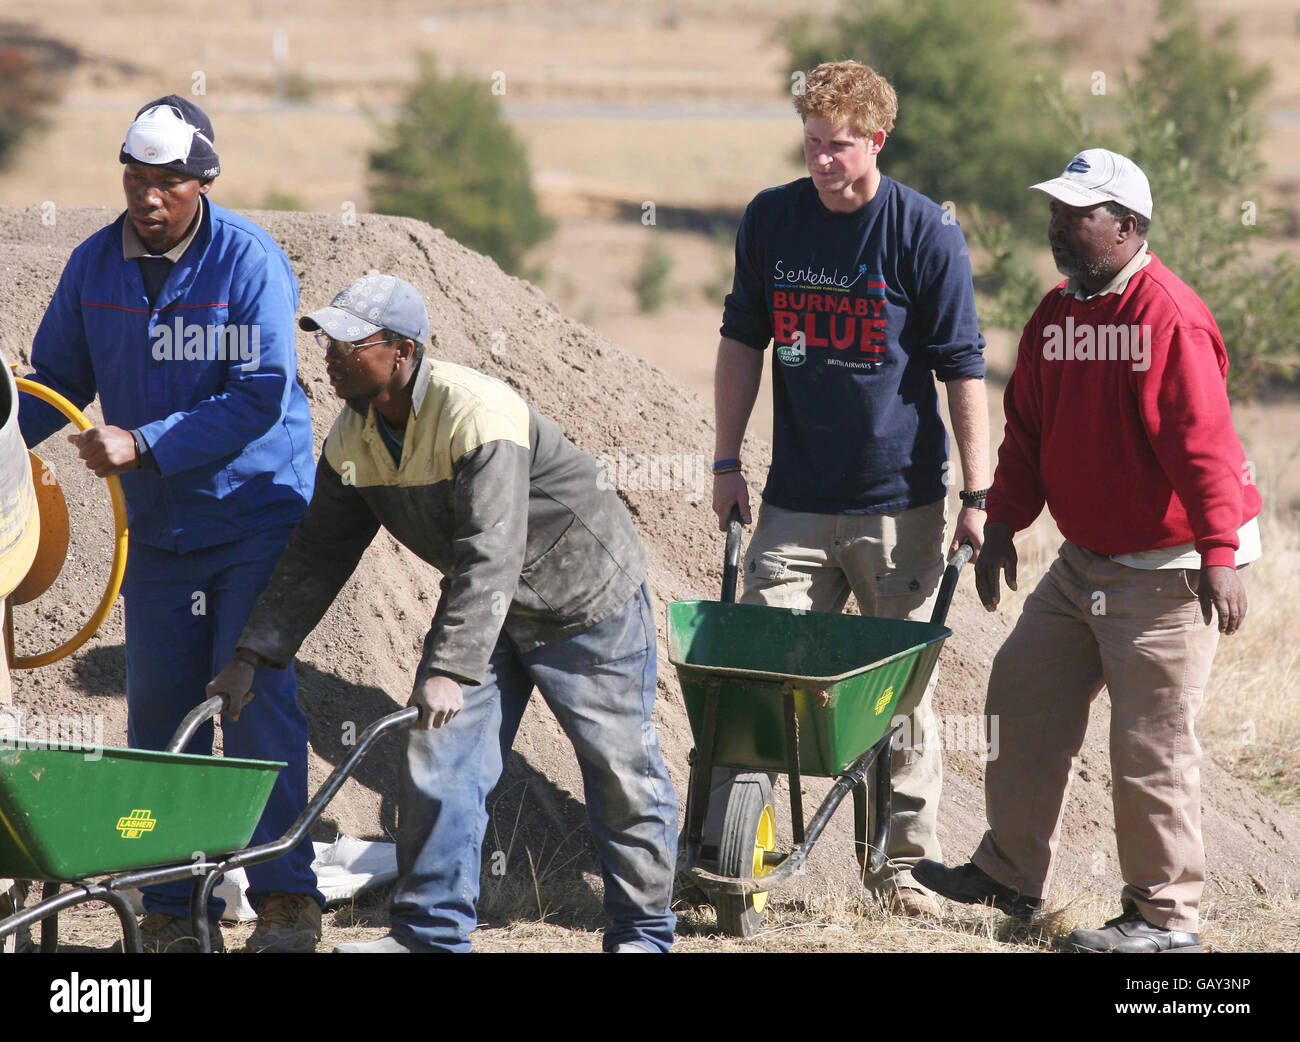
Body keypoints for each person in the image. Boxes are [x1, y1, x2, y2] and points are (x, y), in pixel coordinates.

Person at [210, 274, 679, 953]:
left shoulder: (476, 414)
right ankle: (430, 937)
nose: (331, 355)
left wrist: (450, 669)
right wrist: (252, 656)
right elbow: (317, 554)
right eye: (328, 342)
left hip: (583, 600)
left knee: (618, 768)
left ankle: (643, 935)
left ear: (402, 351)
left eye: (349, 342)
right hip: (484, 604)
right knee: (439, 758)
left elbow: (493, 551)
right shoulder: (355, 436)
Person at [914, 149, 1261, 953]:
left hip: (1172, 570)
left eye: (1078, 215)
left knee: (1151, 748)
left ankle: (1166, 922)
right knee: (1021, 694)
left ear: (1127, 227)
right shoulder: (1059, 313)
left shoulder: (1166, 315)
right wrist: (1002, 521)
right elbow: (1029, 429)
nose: (1059, 227)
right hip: (1086, 564)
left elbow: (1204, 445)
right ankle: (1010, 874)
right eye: (1057, 213)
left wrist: (1218, 550)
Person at [19, 96, 323, 953]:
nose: (148, 198)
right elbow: (55, 381)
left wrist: (143, 444)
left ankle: (286, 900)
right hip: (157, 533)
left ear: (204, 183)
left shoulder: (248, 262)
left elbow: (262, 393)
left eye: (168, 183)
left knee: (255, 701)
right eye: (135, 179)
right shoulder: (94, 266)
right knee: (156, 716)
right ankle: (170, 908)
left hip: (254, 516)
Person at [710, 60, 990, 915]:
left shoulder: (923, 233)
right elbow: (739, 342)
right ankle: (737, 854)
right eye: (813, 143)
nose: (823, 160)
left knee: (900, 693)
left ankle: (903, 870)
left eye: (839, 146)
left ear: (877, 140)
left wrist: (978, 495)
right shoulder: (772, 219)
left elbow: (962, 368)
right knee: (759, 672)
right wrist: (725, 463)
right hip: (795, 500)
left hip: (900, 506)